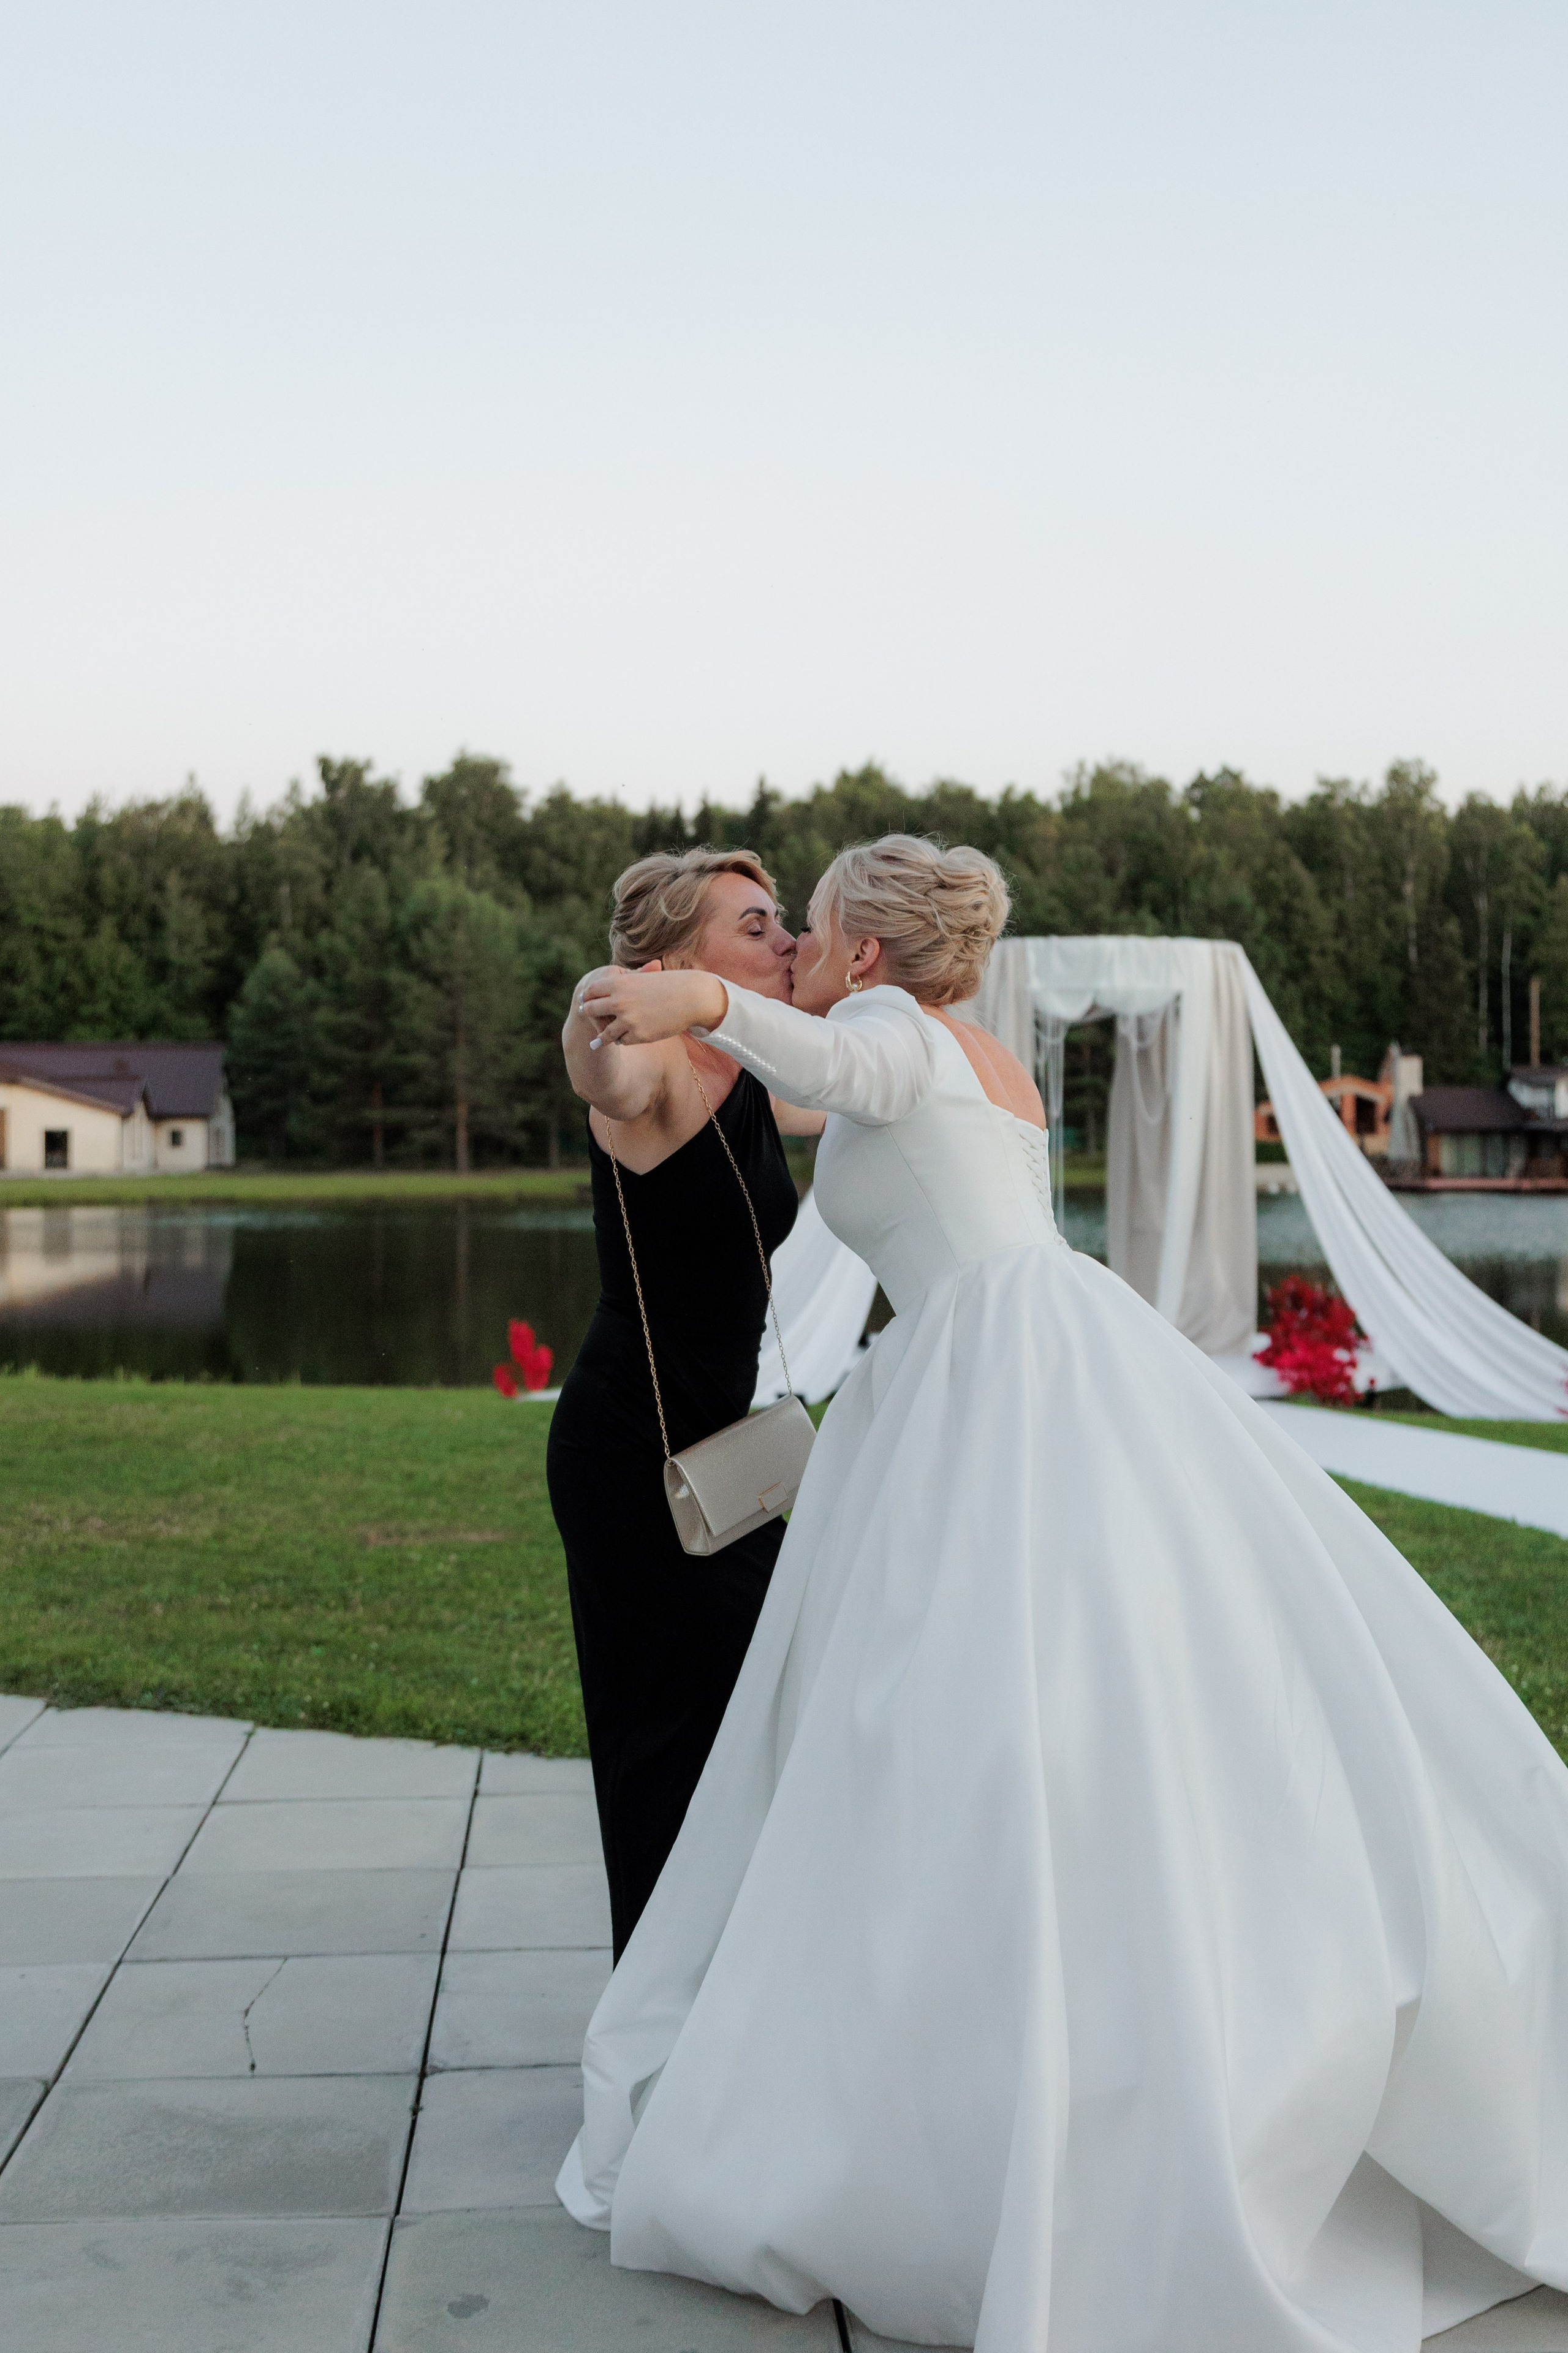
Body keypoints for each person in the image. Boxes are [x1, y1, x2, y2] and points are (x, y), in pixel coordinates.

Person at [558, 833, 1568, 2353]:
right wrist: (648, 1005)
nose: (801, 950)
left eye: (811, 927)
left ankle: (995, 2069)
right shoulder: (978, 1052)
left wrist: (699, 994)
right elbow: (780, 1079)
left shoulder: (889, 1032)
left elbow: (820, 1056)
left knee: (960, 1721)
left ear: (869, 955)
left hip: (986, 1389)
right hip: (1028, 1362)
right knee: (1044, 1707)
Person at [550, 847, 823, 1961]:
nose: (786, 939)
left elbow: (858, 1083)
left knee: (753, 1711)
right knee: (663, 1743)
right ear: (671, 962)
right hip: (630, 1453)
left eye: (782, 920)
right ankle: (657, 2019)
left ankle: (725, 1992)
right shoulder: (654, 1062)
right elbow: (597, 1073)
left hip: (720, 1456)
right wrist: (599, 1003)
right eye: (755, 925)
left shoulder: (752, 1066)